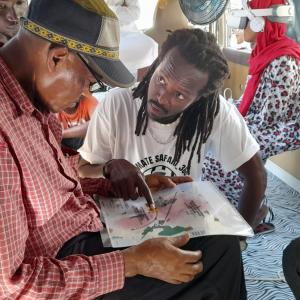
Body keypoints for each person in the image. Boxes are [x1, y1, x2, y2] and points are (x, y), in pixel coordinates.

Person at [0, 0, 247, 299]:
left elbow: (51, 189)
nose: (84, 95)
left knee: (217, 238)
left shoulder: (33, 103)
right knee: (217, 256)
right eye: (87, 82)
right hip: (63, 268)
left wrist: (111, 187)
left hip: (87, 228)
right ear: (57, 58)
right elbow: (11, 286)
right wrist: (131, 263)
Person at [78, 28, 267, 230]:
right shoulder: (117, 103)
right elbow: (81, 172)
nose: (161, 97)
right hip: (124, 225)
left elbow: (256, 175)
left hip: (181, 224)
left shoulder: (214, 112)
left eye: (179, 95)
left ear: (198, 98)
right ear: (157, 63)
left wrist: (240, 237)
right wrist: (109, 167)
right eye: (161, 79)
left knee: (223, 250)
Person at [202, 0, 300, 233]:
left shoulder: (283, 60)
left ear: (259, 22)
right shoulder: (265, 52)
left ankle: (253, 212)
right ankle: (228, 206)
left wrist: (232, 126)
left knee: (222, 155)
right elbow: (252, 103)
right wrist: (225, 113)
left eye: (244, 20)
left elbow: (270, 119)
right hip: (266, 123)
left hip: (285, 128)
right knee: (212, 137)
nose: (239, 26)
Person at [105, 0, 158, 80]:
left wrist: (111, 10)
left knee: (150, 45)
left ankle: (133, 82)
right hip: (100, 29)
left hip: (126, 29)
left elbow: (135, 12)